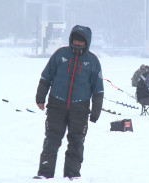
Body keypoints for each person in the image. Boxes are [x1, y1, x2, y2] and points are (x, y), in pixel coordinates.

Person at [34, 25, 104, 179]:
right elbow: (46, 77)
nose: (77, 43)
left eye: (81, 41)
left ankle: (72, 174)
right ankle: (45, 173)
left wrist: (96, 111)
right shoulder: (60, 55)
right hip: (56, 106)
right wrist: (40, 98)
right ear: (71, 39)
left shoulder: (92, 61)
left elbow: (98, 90)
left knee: (76, 142)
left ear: (87, 42)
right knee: (51, 139)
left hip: (80, 108)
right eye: (75, 39)